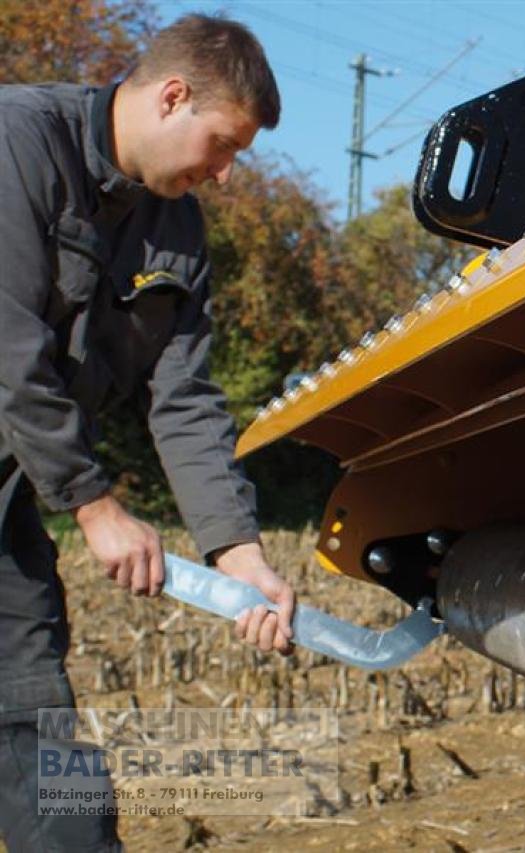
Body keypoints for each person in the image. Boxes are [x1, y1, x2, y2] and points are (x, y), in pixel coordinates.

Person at [0, 15, 296, 849]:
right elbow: (8, 347)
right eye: (223, 144)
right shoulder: (18, 142)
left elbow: (187, 398)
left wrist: (238, 552)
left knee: (47, 764)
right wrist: (93, 503)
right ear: (173, 96)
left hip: (6, 524)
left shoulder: (177, 233)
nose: (227, 173)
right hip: (48, 487)